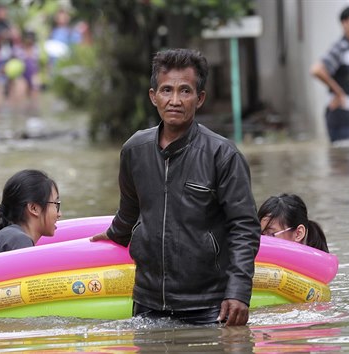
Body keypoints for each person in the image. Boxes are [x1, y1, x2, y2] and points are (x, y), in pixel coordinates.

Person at [90, 48, 261, 326]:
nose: (175, 100)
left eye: (185, 91)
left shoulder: (223, 155)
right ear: (153, 96)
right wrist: (112, 235)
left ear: (200, 98)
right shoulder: (135, 150)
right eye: (166, 90)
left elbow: (244, 227)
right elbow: (131, 209)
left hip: (208, 304)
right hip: (147, 301)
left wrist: (239, 293)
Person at [0, 169, 61, 260]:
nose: (59, 214)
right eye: (56, 204)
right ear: (34, 208)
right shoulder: (19, 240)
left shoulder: (11, 235)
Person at [310, 6, 349, 143]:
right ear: (345, 23)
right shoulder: (340, 47)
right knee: (345, 161)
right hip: (342, 118)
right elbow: (316, 70)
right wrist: (339, 93)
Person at [257, 193, 329, 253]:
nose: (263, 242)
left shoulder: (315, 268)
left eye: (271, 235)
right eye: (261, 235)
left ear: (298, 233)